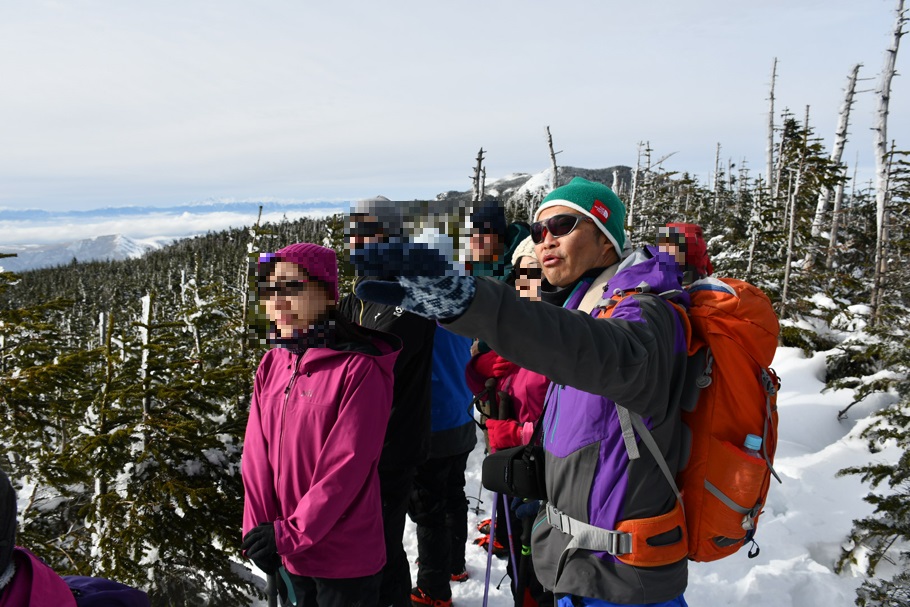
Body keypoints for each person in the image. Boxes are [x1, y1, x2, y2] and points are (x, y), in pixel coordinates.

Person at [350, 176, 692, 606]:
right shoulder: (582, 302)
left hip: (625, 582)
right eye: (537, 231)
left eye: (563, 225)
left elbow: (594, 350)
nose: (545, 240)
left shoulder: (644, 310)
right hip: (580, 565)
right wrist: (537, 460)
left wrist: (471, 304)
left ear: (607, 239)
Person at [241, 243, 401, 606]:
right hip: (288, 549)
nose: (277, 302)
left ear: (327, 294)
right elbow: (255, 456)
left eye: (292, 288)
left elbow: (346, 467)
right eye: (269, 291)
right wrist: (257, 528)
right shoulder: (272, 364)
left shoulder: (359, 368)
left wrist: (290, 533)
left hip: (344, 559)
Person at [337, 197, 437, 607]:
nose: (361, 244)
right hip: (358, 447)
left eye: (372, 234)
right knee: (371, 545)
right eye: (355, 235)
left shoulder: (410, 296)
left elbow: (372, 364)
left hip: (391, 448)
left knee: (380, 548)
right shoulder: (355, 296)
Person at [466, 235, 554, 607]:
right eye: (522, 272)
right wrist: (481, 368)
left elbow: (567, 419)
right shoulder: (511, 326)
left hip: (546, 479)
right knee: (523, 559)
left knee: (540, 571)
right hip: (514, 467)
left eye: (537, 272)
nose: (528, 281)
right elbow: (484, 388)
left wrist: (515, 432)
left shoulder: (564, 333)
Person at [407, 229, 476, 607]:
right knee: (453, 494)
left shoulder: (418, 308)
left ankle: (433, 589)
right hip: (461, 417)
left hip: (432, 423)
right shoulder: (462, 302)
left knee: (428, 509)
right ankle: (453, 563)